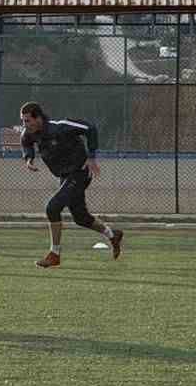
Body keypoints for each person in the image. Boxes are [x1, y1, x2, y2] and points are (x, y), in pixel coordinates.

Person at [18, 101, 124, 268]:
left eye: (27, 120)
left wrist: (91, 156)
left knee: (52, 208)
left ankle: (55, 254)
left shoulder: (60, 127)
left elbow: (90, 128)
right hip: (66, 176)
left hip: (80, 172)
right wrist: (29, 158)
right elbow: (26, 143)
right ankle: (112, 234)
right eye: (23, 121)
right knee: (81, 218)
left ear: (38, 118)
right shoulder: (29, 133)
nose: (24, 124)